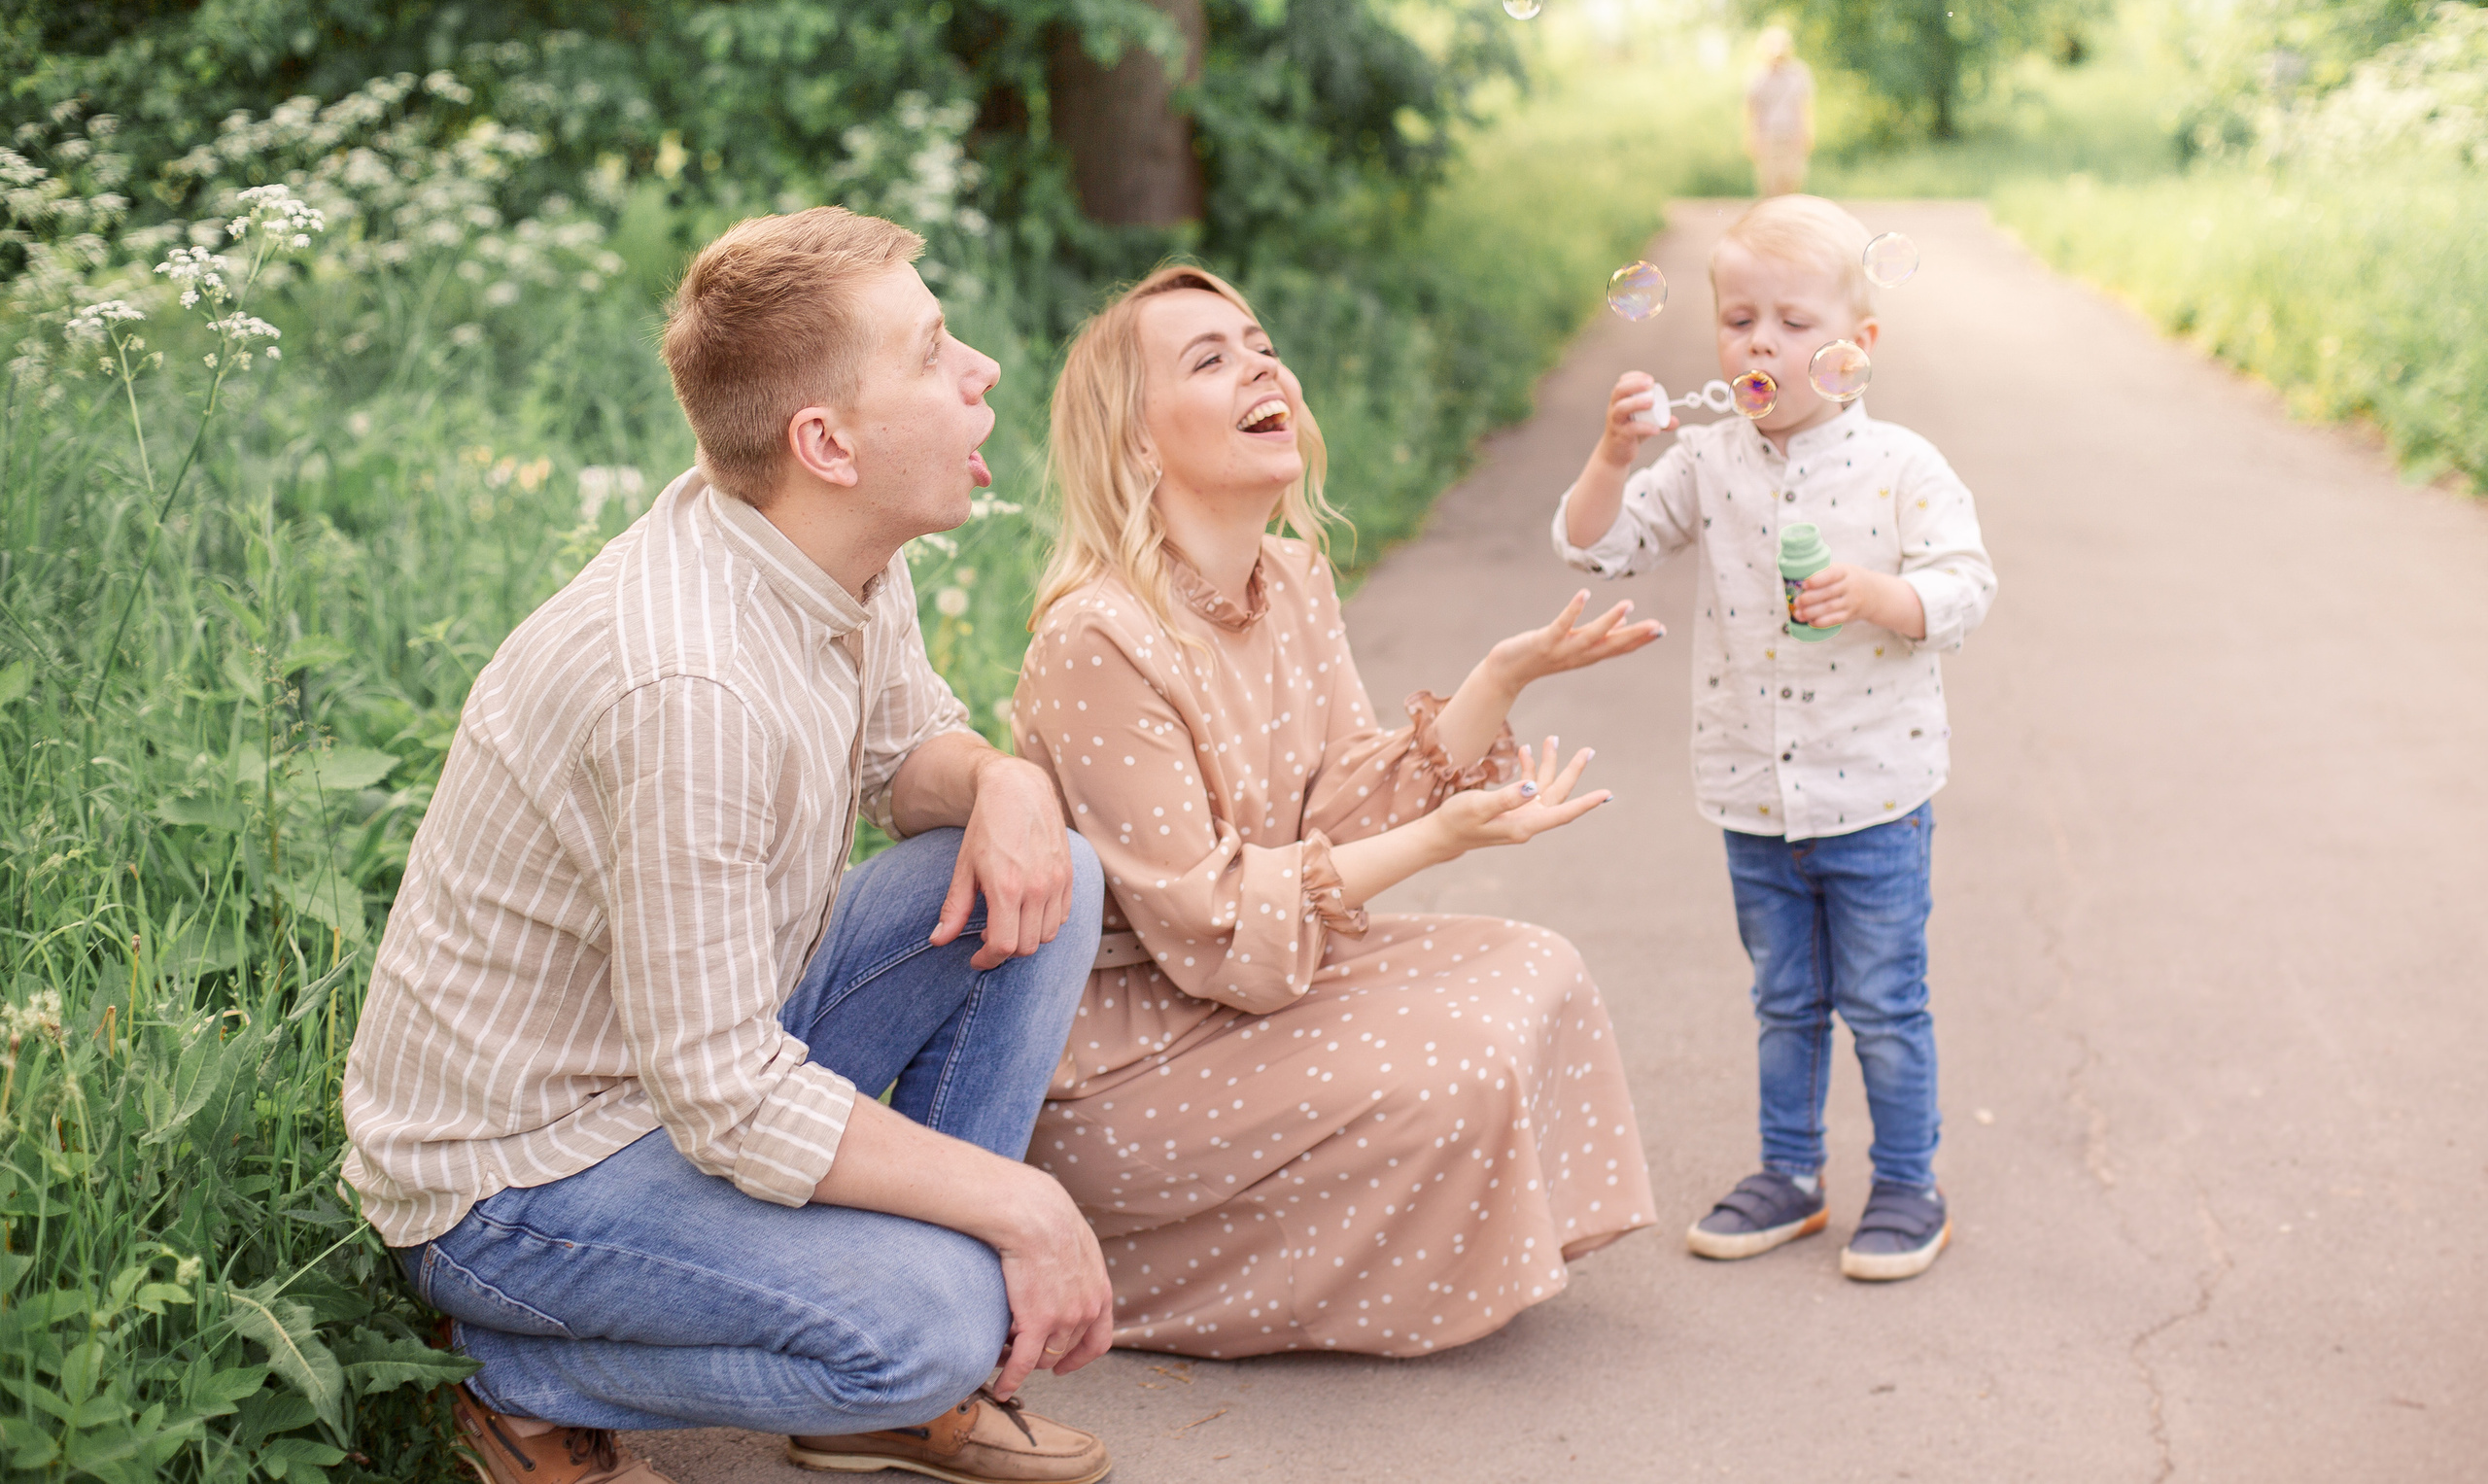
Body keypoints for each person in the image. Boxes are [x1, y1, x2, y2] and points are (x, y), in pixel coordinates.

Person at [341, 207, 1122, 1484]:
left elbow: (899, 753)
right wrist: (1018, 1202)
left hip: (688, 1059)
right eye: (932, 352)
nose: (979, 368)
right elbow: (727, 1094)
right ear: (826, 439)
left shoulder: (835, 541)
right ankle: (508, 1373)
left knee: (1043, 874)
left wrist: (1002, 774)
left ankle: (868, 1379)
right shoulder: (687, 685)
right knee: (944, 1313)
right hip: (520, 1181)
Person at [1008, 263, 1662, 1359]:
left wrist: (1495, 681)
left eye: (1258, 344)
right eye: (1208, 359)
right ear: (1134, 444)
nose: (1260, 363)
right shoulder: (1098, 641)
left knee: (1534, 966)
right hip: (1128, 1057)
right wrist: (1442, 836)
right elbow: (1214, 933)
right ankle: (1117, 1260)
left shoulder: (1291, 574)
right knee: (1457, 1069)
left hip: (1245, 996)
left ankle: (1423, 1240)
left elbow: (1342, 798)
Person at [1553, 195, 1995, 1281]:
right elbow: (1598, 550)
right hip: (1754, 792)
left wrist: (1879, 594)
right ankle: (1788, 1175)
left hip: (1877, 792)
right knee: (1784, 999)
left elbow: (1965, 586)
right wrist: (1611, 457)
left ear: (1858, 345)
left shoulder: (1901, 466)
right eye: (1740, 319)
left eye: (1794, 323)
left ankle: (1906, 1183)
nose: (1762, 343)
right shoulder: (1707, 461)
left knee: (1885, 1005)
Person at [1744, 27, 1815, 199]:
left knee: (1793, 180)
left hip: (1792, 133)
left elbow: (1804, 106)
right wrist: (1752, 137)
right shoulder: (1757, 77)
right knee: (1769, 183)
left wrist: (1806, 133)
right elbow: (1752, 110)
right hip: (1768, 135)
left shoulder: (1799, 74)